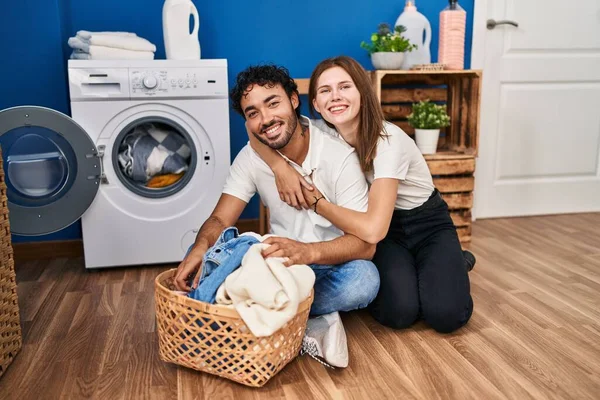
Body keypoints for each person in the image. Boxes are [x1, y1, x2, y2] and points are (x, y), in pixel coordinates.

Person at [248, 56, 474, 333]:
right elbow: (253, 130)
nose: (335, 97)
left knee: (446, 316)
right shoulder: (321, 131)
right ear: (316, 105)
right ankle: (424, 273)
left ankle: (455, 262)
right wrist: (279, 166)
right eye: (325, 91)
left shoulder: (388, 142)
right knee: (399, 313)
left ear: (363, 94)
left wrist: (318, 204)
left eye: (345, 87)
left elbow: (373, 229)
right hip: (388, 233)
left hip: (424, 224)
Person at [174, 64, 380, 317]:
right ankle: (272, 310)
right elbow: (219, 219)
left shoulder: (339, 154)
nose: (266, 119)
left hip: (330, 262)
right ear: (248, 122)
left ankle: (246, 310)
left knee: (364, 279)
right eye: (253, 113)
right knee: (200, 254)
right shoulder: (251, 158)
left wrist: (307, 252)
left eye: (273, 104)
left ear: (294, 100)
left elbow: (364, 245)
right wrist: (200, 246)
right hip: (275, 264)